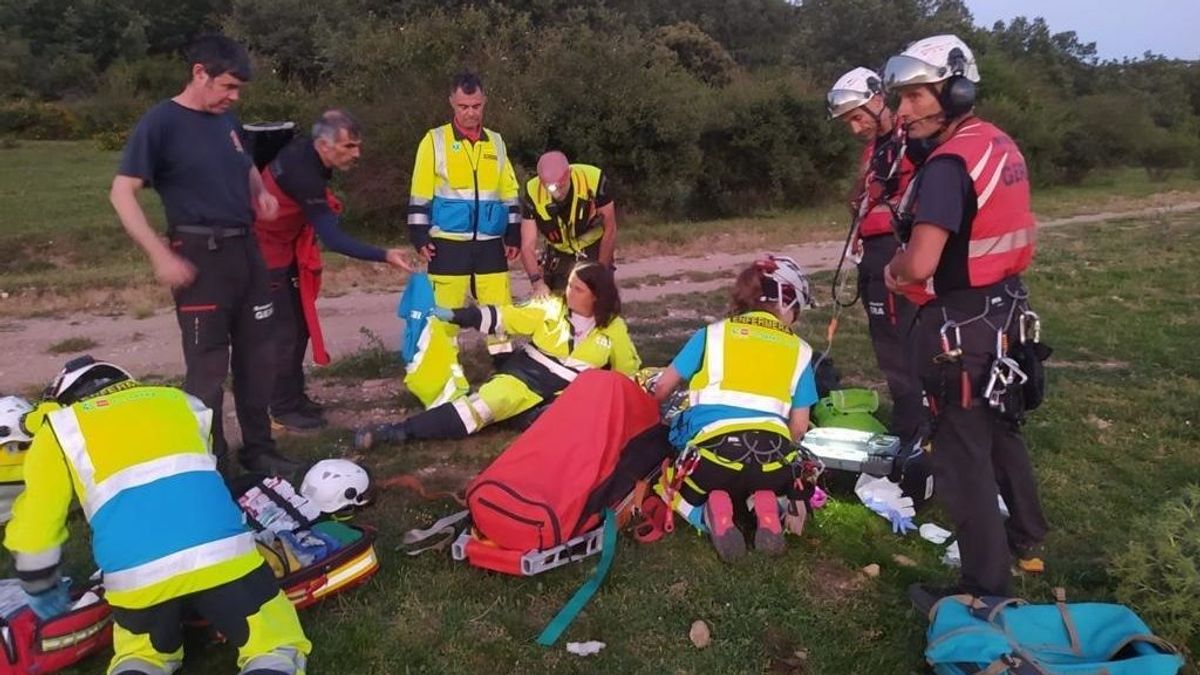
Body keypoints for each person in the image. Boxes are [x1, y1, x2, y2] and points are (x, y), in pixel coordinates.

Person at [3, 356, 310, 674]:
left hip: (137, 579)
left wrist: (40, 585)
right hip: (224, 558)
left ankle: (142, 662)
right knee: (273, 645)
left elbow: (35, 525)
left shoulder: (59, 427)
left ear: (62, 398)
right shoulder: (181, 402)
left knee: (141, 655)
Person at [881, 34, 1049, 597]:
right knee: (1001, 428)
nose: (902, 113)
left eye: (914, 97)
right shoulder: (997, 142)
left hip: (957, 324)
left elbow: (922, 261)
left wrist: (896, 270)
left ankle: (984, 588)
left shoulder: (948, 165)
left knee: (961, 455)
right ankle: (1027, 530)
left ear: (954, 89)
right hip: (1004, 312)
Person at [109, 34, 297, 477]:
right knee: (208, 368)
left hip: (247, 252)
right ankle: (209, 462)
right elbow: (122, 194)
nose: (233, 97)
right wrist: (159, 255)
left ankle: (260, 451)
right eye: (228, 87)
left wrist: (261, 193)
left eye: (238, 91)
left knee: (259, 356)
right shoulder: (161, 123)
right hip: (199, 256)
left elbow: (243, 163)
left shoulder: (227, 121)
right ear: (199, 73)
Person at [356, 262, 640, 447]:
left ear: (597, 296)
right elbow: (503, 316)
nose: (568, 293)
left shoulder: (614, 329)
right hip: (524, 378)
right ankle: (397, 431)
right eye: (568, 285)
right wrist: (455, 315)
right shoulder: (551, 308)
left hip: (566, 394)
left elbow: (627, 373)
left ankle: (522, 418)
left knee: (572, 426)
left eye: (577, 289)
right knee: (480, 408)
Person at [651, 256, 820, 562]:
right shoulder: (801, 350)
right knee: (772, 481)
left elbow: (662, 388)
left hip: (712, 458)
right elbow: (798, 428)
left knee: (666, 487)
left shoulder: (712, 335)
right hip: (772, 460)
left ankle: (708, 510)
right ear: (785, 301)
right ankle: (769, 504)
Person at [253, 109, 413, 431]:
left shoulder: (309, 154)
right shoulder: (305, 175)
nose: (358, 153)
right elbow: (334, 239)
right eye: (350, 147)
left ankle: (293, 397)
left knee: (298, 328)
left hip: (282, 248)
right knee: (285, 333)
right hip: (262, 253)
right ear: (324, 146)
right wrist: (384, 254)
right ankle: (280, 408)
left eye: (357, 145)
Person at [827, 67, 926, 444]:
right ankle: (911, 417)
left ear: (877, 99)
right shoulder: (875, 150)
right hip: (873, 250)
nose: (854, 128)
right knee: (885, 340)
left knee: (903, 341)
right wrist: (859, 221)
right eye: (848, 121)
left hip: (899, 251)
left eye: (857, 117)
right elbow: (866, 194)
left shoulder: (913, 140)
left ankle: (917, 425)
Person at [407, 71, 521, 360]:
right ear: (451, 104)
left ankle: (505, 370)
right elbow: (420, 193)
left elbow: (509, 192)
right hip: (447, 243)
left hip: (490, 243)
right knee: (444, 314)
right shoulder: (434, 141)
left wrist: (514, 232)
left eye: (476, 106)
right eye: (463, 106)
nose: (470, 113)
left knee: (499, 312)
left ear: (484, 102)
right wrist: (418, 235)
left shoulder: (496, 142)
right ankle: (443, 375)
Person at [519, 151, 618, 295]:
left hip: (592, 247)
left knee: (595, 298)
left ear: (569, 173)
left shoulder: (593, 179)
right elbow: (527, 244)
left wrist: (601, 271)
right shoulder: (532, 191)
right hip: (560, 252)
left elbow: (610, 229)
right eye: (551, 187)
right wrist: (537, 282)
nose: (557, 191)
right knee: (557, 302)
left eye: (561, 184)